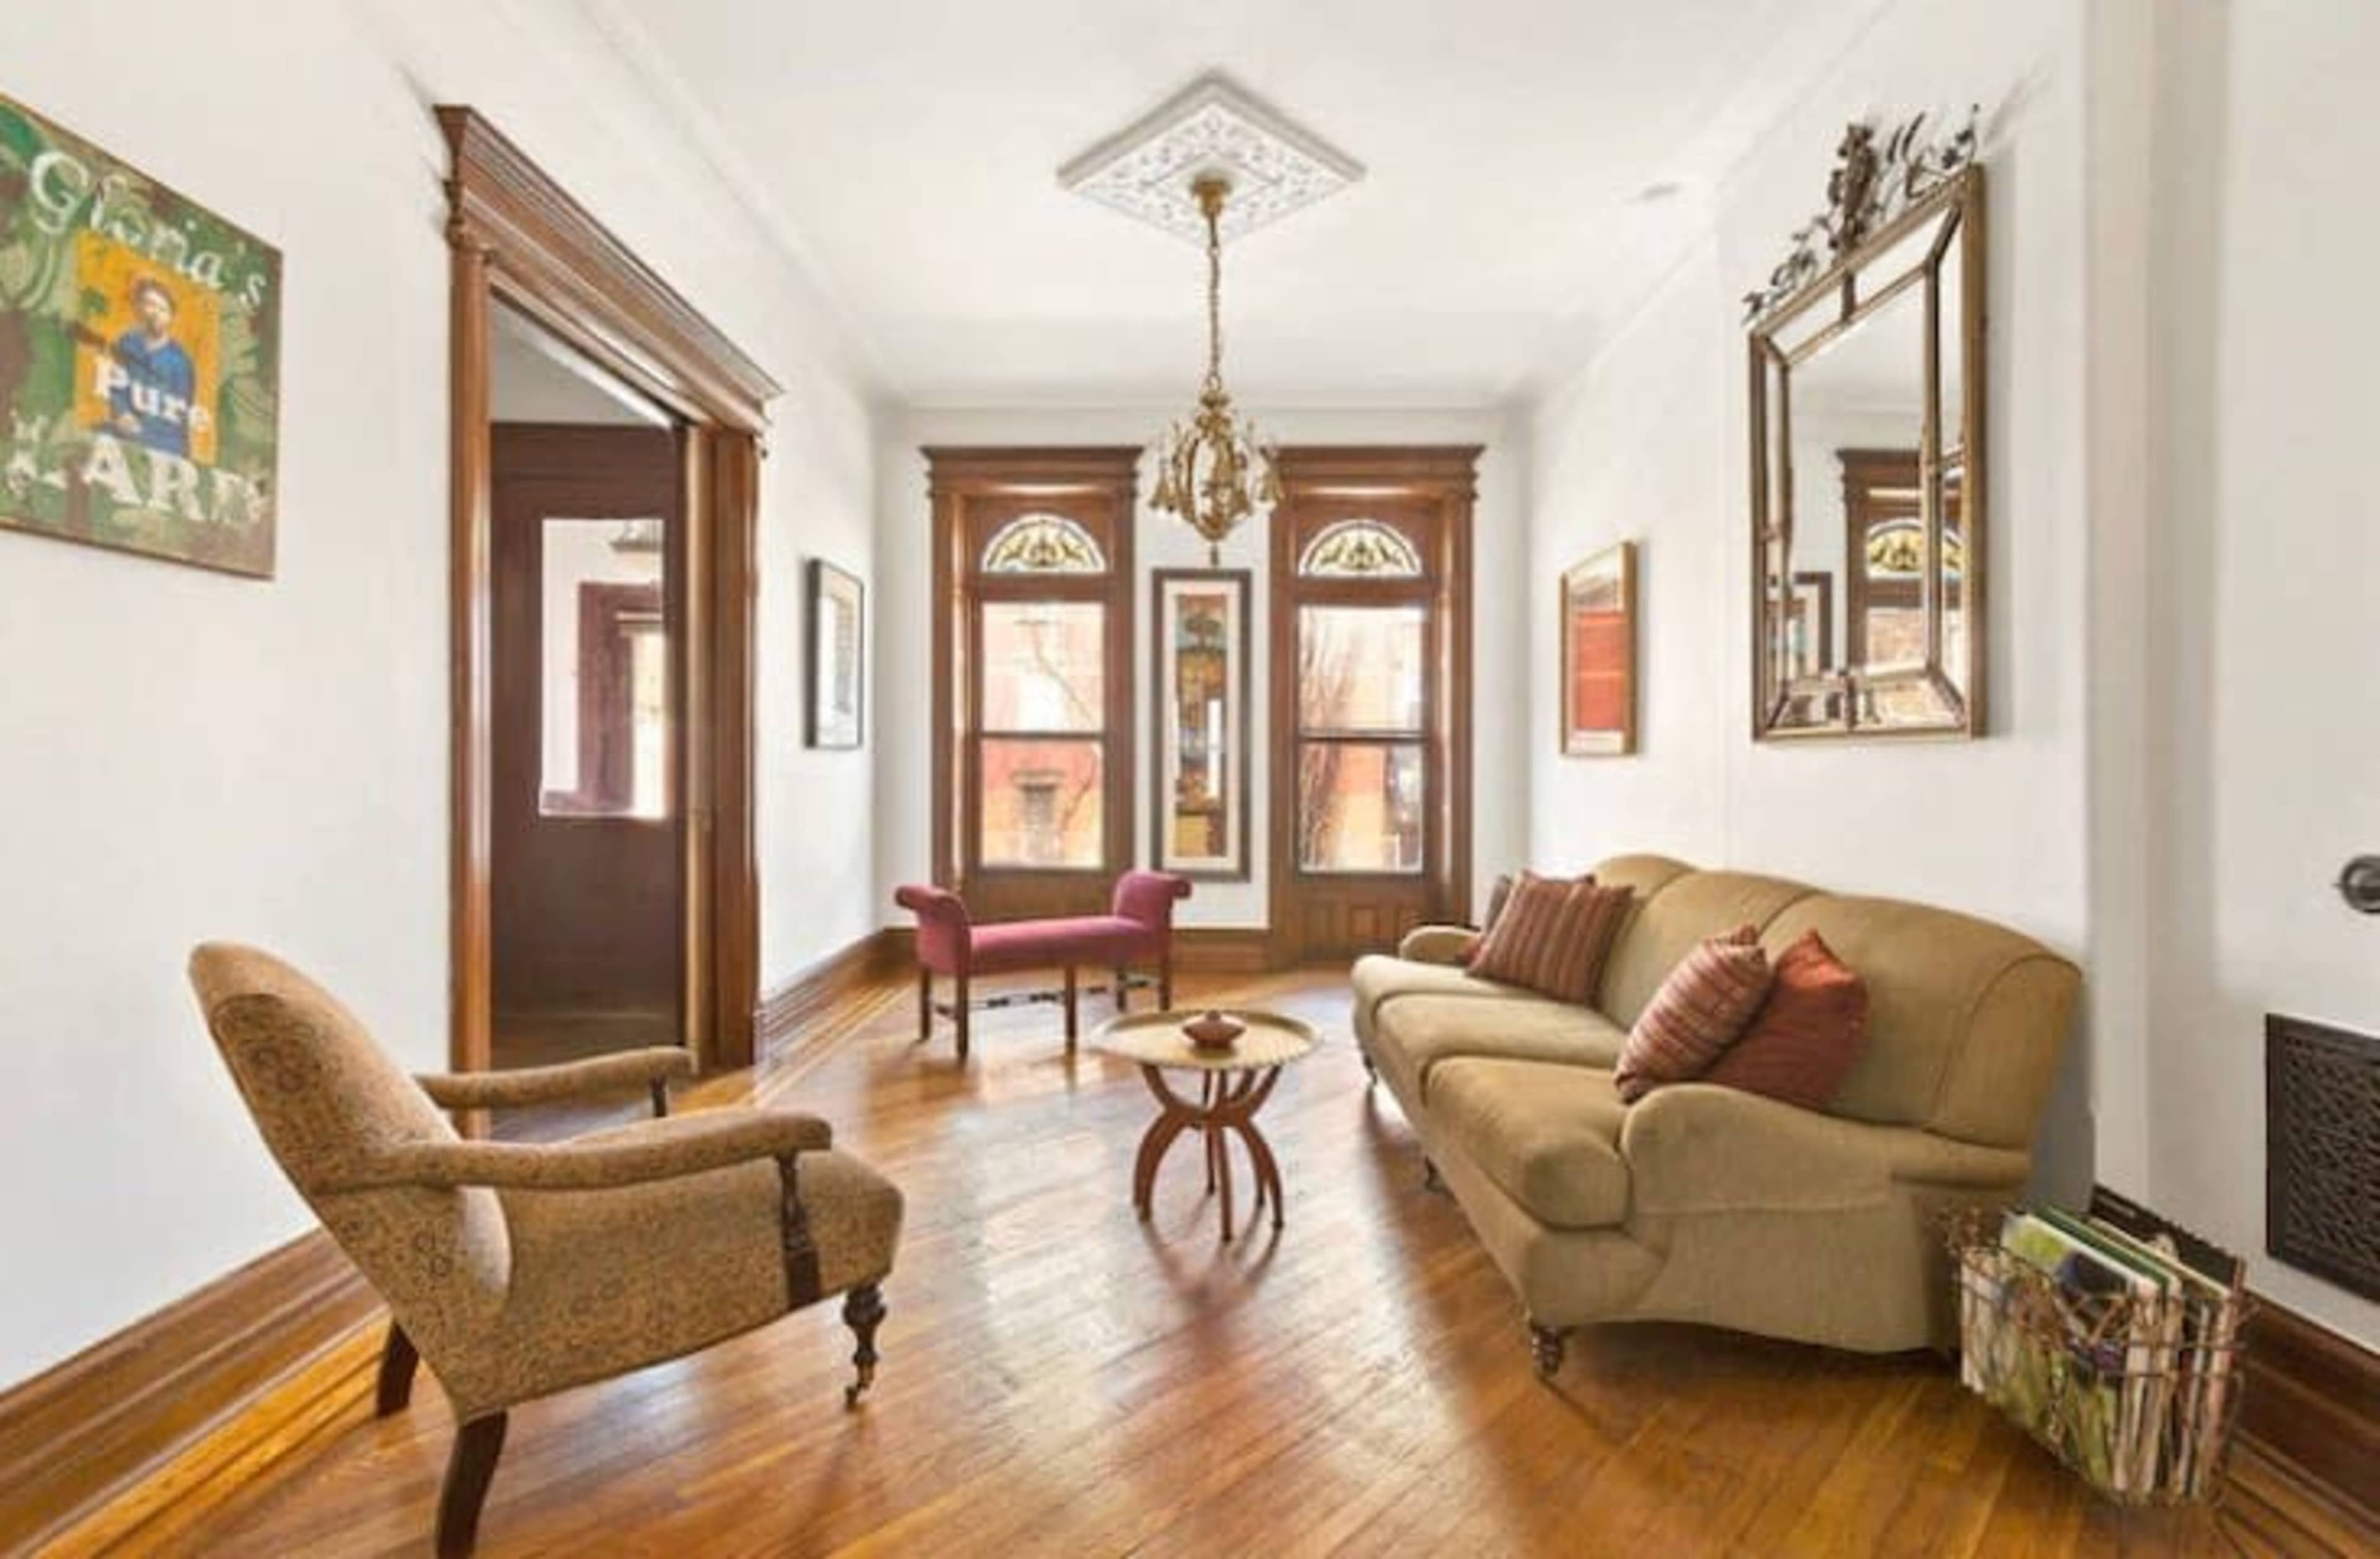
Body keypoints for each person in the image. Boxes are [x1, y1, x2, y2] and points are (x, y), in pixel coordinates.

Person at [107, 277, 197, 457]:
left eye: (162, 309)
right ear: (140, 308)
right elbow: (116, 388)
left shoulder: (180, 361)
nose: (155, 313)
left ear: (171, 316)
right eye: (150, 304)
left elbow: (180, 416)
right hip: (126, 430)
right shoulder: (127, 342)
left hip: (163, 439)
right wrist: (123, 414)